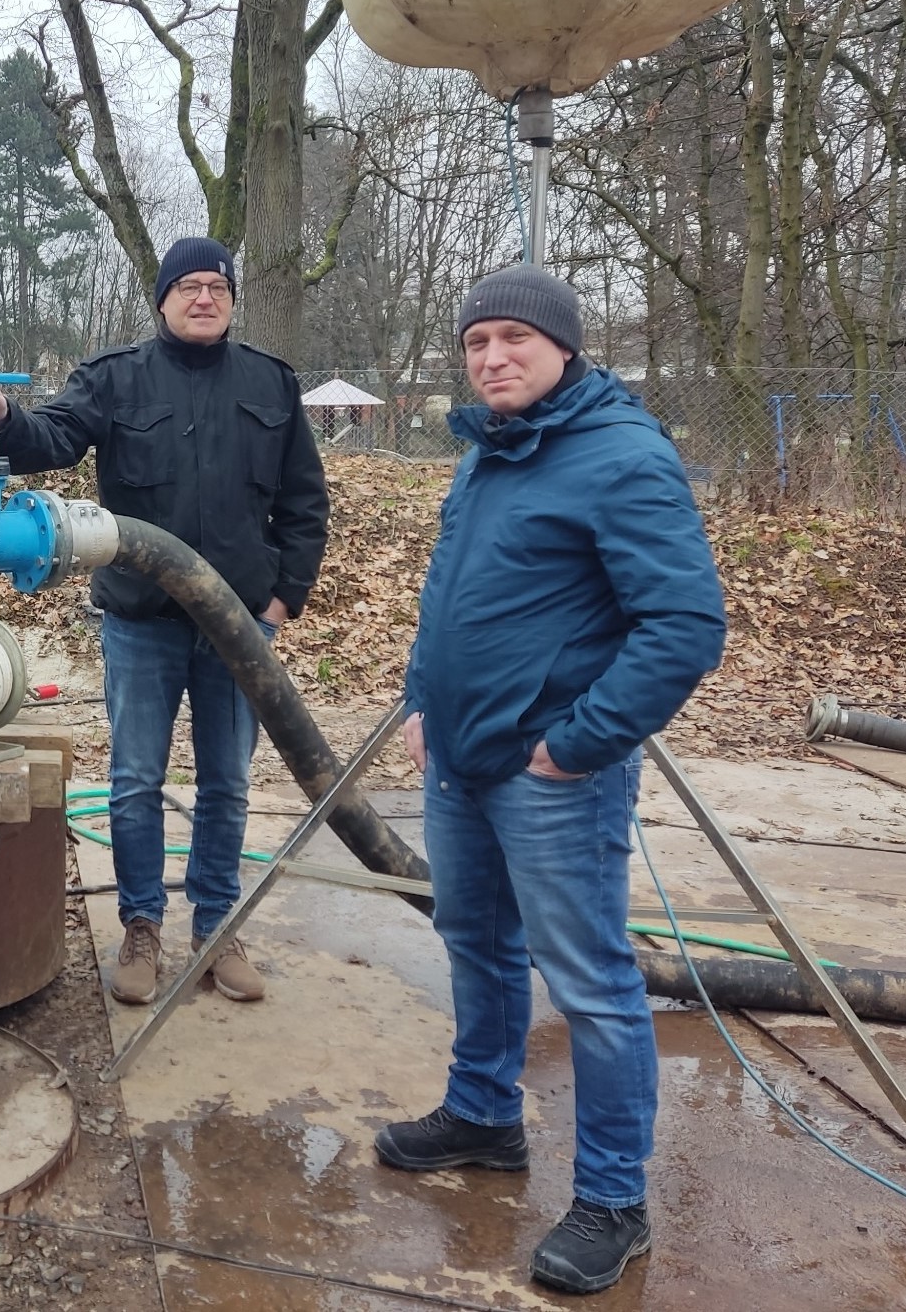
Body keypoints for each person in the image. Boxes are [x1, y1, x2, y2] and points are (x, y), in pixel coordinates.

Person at [379, 265, 726, 1295]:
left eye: (513, 340)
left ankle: (613, 1201)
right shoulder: (487, 452)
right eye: (476, 341)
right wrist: (420, 698)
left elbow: (685, 625)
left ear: (563, 346)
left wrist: (578, 742)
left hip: (551, 776)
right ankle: (484, 1115)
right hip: (460, 757)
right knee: (475, 942)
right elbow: (449, 590)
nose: (492, 358)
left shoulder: (621, 456)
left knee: (593, 988)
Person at [0, 237, 329, 1007]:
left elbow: (304, 502)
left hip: (238, 626)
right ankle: (140, 926)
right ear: (162, 300)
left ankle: (215, 925)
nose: (204, 298)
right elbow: (53, 443)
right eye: (188, 287)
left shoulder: (269, 382)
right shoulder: (113, 379)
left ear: (230, 300)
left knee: (227, 783)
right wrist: (2, 416)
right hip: (141, 620)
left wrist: (282, 596)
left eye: (216, 287)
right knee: (135, 781)